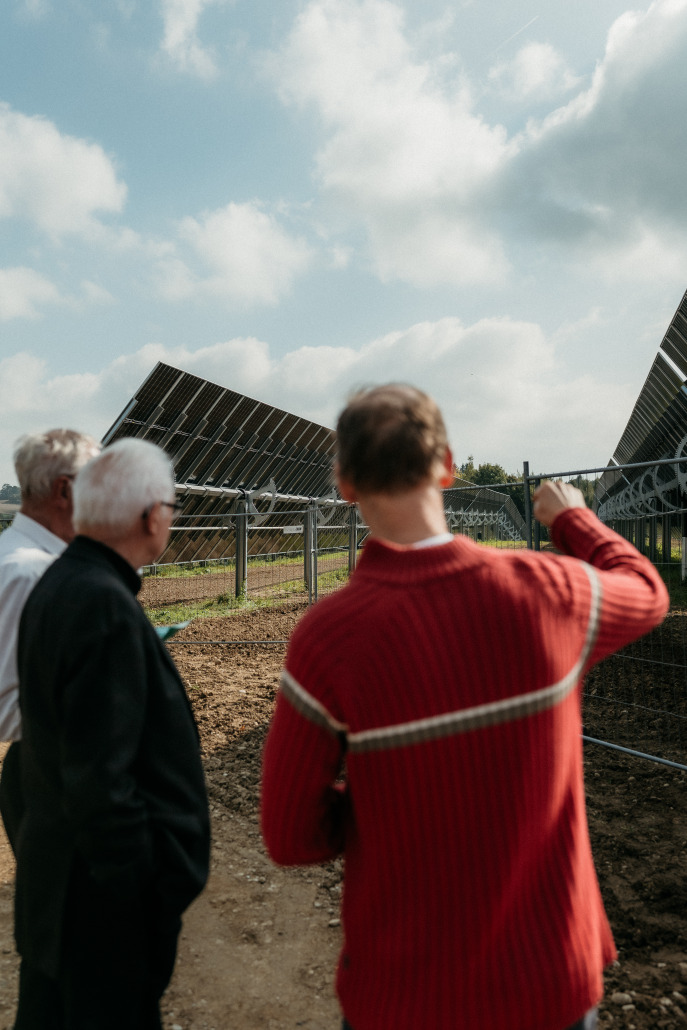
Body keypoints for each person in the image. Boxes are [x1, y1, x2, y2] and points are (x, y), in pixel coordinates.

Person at [261, 384, 669, 1030]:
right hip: (547, 982)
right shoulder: (551, 593)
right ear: (447, 465)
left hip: (402, 996)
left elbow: (290, 835)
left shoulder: (328, 638)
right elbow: (646, 590)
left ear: (344, 483)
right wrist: (572, 519)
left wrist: (389, 797)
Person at [14, 437, 210, 1030]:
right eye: (171, 509)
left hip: (62, 895)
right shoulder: (103, 606)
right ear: (151, 516)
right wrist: (143, 896)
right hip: (99, 917)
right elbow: (103, 782)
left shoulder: (60, 585)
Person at [0, 429, 100, 852]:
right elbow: (5, 707)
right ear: (65, 489)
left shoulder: (26, 558)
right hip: (51, 776)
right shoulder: (29, 573)